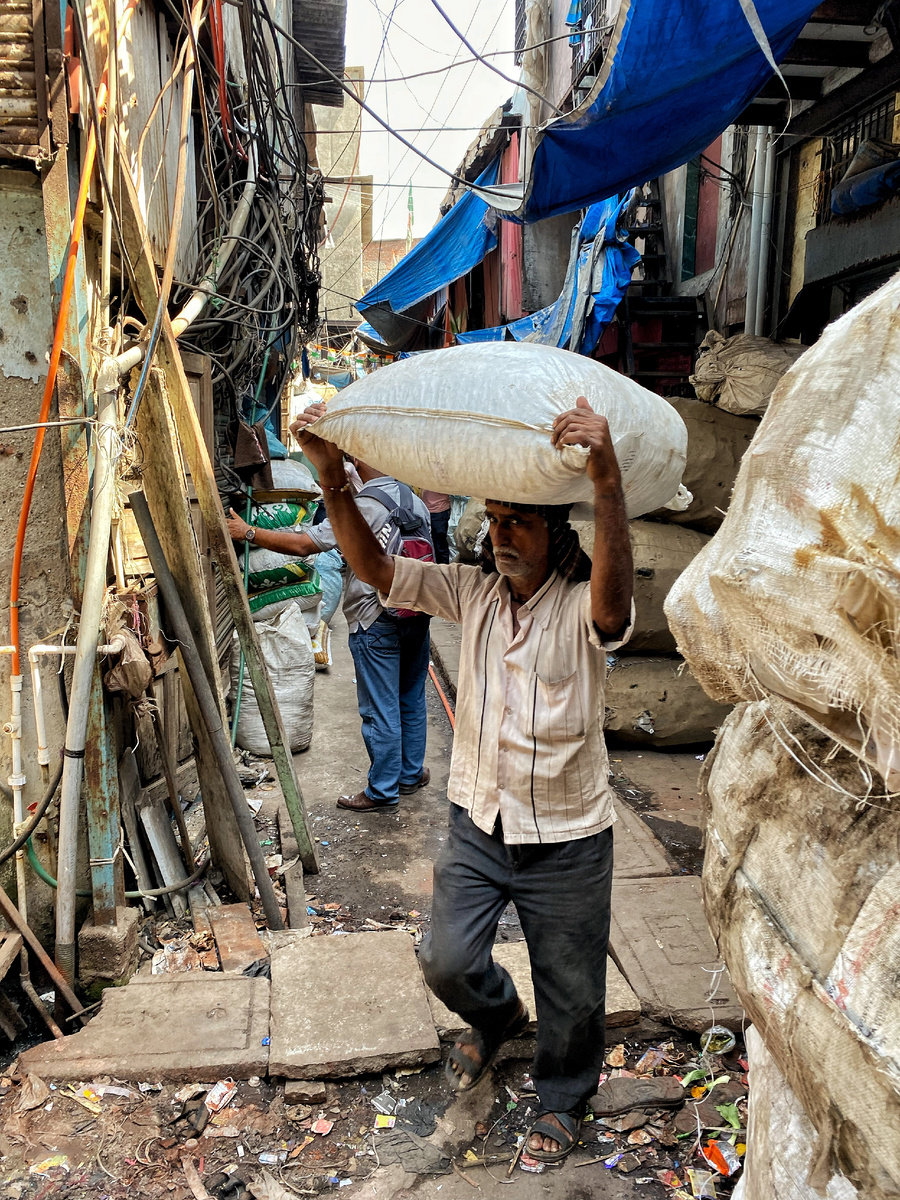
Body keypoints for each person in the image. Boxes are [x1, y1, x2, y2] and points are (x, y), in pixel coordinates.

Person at [292, 395, 633, 1164]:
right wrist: (334, 479)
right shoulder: (470, 591)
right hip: (478, 823)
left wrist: (606, 482)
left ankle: (564, 1099)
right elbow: (377, 570)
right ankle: (497, 1018)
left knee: (573, 991)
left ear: (556, 533)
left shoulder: (584, 604)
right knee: (445, 960)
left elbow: (615, 612)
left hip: (569, 837)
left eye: (521, 521)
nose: (501, 533)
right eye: (496, 518)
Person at [225, 441, 434, 812]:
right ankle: (409, 774)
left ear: (359, 461)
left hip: (376, 617)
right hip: (416, 611)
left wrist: (249, 533)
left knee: (380, 709)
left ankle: (383, 790)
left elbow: (307, 544)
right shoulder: (412, 498)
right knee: (411, 697)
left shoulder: (363, 506)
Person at [420, 490, 452, 563]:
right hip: (425, 510)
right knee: (429, 544)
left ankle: (443, 570)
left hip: (439, 511)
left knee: (439, 546)